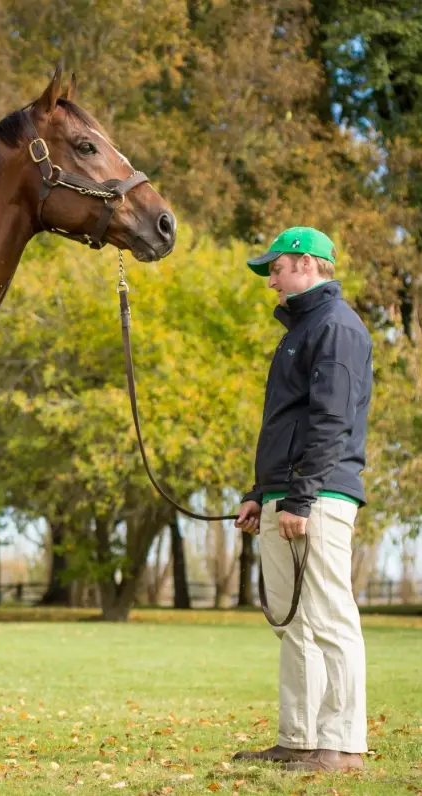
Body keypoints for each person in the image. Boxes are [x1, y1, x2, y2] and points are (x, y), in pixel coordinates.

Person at [232, 226, 373, 774]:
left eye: (276, 268)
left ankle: (343, 745)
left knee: (330, 617)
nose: (271, 280)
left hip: (317, 496)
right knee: (293, 624)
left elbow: (332, 421)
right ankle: (299, 737)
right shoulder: (302, 329)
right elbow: (284, 425)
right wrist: (258, 494)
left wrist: (301, 498)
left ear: (307, 264)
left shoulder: (337, 327)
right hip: (286, 495)